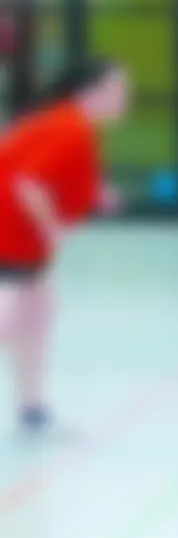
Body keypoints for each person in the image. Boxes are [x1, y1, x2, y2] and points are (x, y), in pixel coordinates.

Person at [0, 60, 127, 432]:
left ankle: (32, 406)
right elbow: (28, 185)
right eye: (117, 90)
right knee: (13, 316)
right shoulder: (70, 126)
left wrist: (94, 194)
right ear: (91, 91)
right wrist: (52, 228)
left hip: (24, 240)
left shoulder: (67, 123)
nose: (123, 99)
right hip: (13, 235)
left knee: (39, 312)